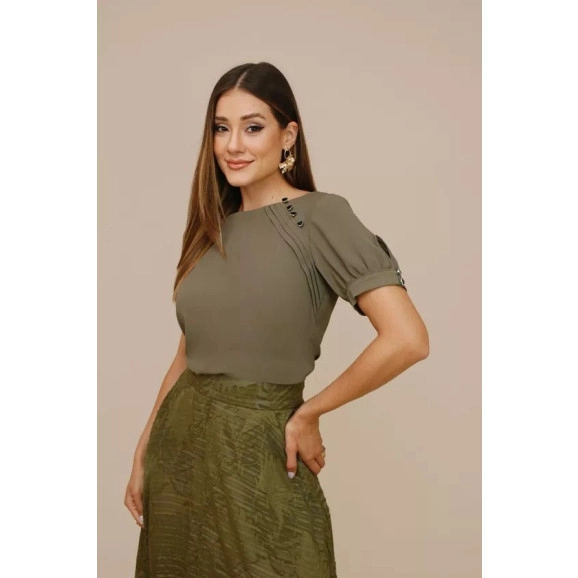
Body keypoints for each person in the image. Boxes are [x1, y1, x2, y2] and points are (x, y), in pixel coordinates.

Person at [124, 61, 429, 578]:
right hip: (179, 453)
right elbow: (188, 352)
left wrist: (309, 413)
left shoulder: (320, 216)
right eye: (221, 128)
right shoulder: (212, 227)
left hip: (260, 451)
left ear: (288, 136)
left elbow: (407, 339)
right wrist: (144, 448)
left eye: (253, 127)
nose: (233, 145)